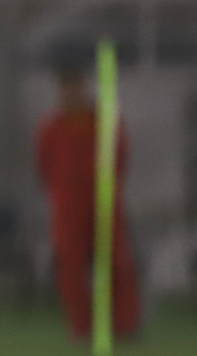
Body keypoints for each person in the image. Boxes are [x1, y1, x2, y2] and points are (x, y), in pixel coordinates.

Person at [35, 65, 140, 340]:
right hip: (68, 204)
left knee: (116, 261)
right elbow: (43, 165)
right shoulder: (51, 127)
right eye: (66, 88)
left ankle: (123, 324)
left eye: (76, 87)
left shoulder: (106, 121)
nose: (71, 94)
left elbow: (121, 157)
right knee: (70, 266)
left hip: (104, 201)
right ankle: (80, 326)